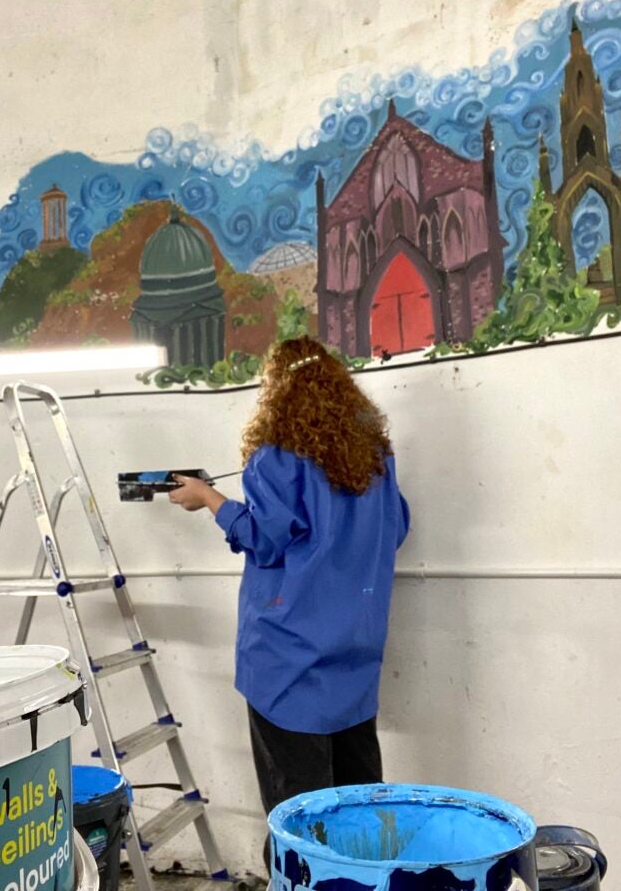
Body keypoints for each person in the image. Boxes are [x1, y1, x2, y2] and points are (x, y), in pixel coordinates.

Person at [168, 335, 410, 872]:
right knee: (360, 804)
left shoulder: (274, 457)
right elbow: (397, 527)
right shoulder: (375, 458)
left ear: (276, 389)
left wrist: (209, 498)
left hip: (288, 660)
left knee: (298, 814)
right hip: (356, 654)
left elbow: (267, 536)